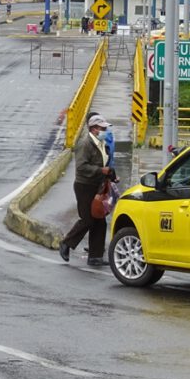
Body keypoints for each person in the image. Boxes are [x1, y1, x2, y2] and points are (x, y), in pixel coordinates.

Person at [60, 114, 116, 266]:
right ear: (94, 129)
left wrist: (110, 175)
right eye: (103, 128)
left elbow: (105, 163)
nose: (105, 131)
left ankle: (95, 256)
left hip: (98, 185)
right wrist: (100, 171)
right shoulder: (85, 144)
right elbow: (82, 167)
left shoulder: (101, 143)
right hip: (84, 186)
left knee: (100, 221)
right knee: (87, 219)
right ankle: (66, 243)